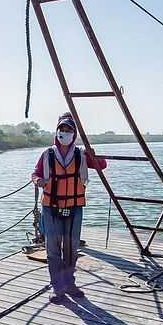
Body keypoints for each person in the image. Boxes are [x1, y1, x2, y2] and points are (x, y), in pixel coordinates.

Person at [30, 113, 105, 303]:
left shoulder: (81, 154)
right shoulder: (47, 154)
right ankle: (58, 288)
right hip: (51, 208)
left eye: (69, 130)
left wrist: (92, 153)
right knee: (53, 250)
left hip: (74, 207)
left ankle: (70, 284)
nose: (65, 133)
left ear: (74, 133)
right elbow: (36, 173)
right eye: (62, 130)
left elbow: (102, 165)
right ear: (57, 132)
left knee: (71, 249)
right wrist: (38, 180)